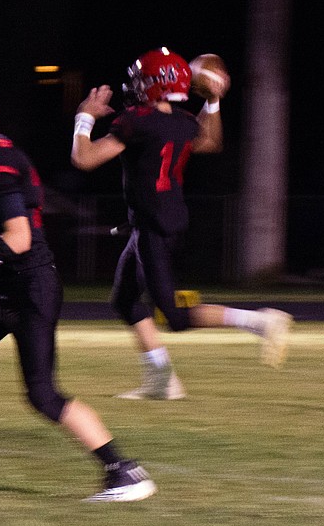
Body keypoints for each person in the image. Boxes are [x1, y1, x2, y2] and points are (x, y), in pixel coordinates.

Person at [0, 68, 155, 502]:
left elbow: (18, 238)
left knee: (42, 394)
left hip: (30, 285)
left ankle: (124, 471)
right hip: (4, 284)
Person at [70, 47, 294, 400]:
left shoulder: (136, 122)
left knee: (174, 316)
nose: (136, 86)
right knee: (124, 299)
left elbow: (84, 158)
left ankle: (260, 322)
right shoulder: (183, 122)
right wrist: (214, 101)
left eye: (143, 80)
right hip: (160, 221)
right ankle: (162, 379)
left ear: (156, 84)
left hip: (153, 229)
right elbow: (211, 141)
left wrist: (84, 116)